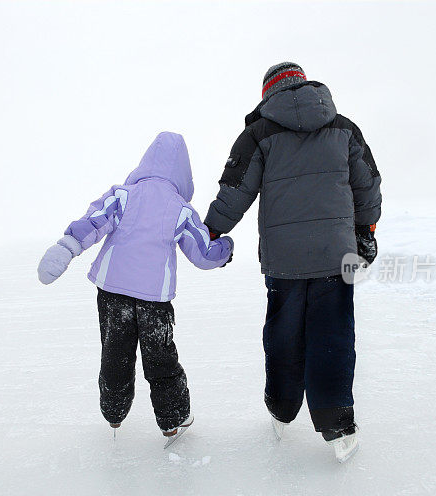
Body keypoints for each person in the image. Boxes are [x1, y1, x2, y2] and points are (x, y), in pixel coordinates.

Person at [203, 62, 382, 463]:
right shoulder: (344, 128)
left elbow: (235, 191)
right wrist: (365, 231)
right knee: (333, 337)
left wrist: (210, 231)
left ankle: (281, 409)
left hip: (284, 261)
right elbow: (368, 184)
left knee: (284, 335)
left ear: (268, 93)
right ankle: (338, 424)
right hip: (336, 256)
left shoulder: (258, 133)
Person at [37, 132, 234, 446]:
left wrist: (68, 245)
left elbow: (94, 221)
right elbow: (203, 253)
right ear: (184, 173)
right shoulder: (181, 210)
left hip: (112, 290)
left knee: (115, 351)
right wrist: (224, 247)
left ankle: (113, 411)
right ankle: (173, 420)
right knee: (160, 357)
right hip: (154, 298)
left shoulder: (123, 194)